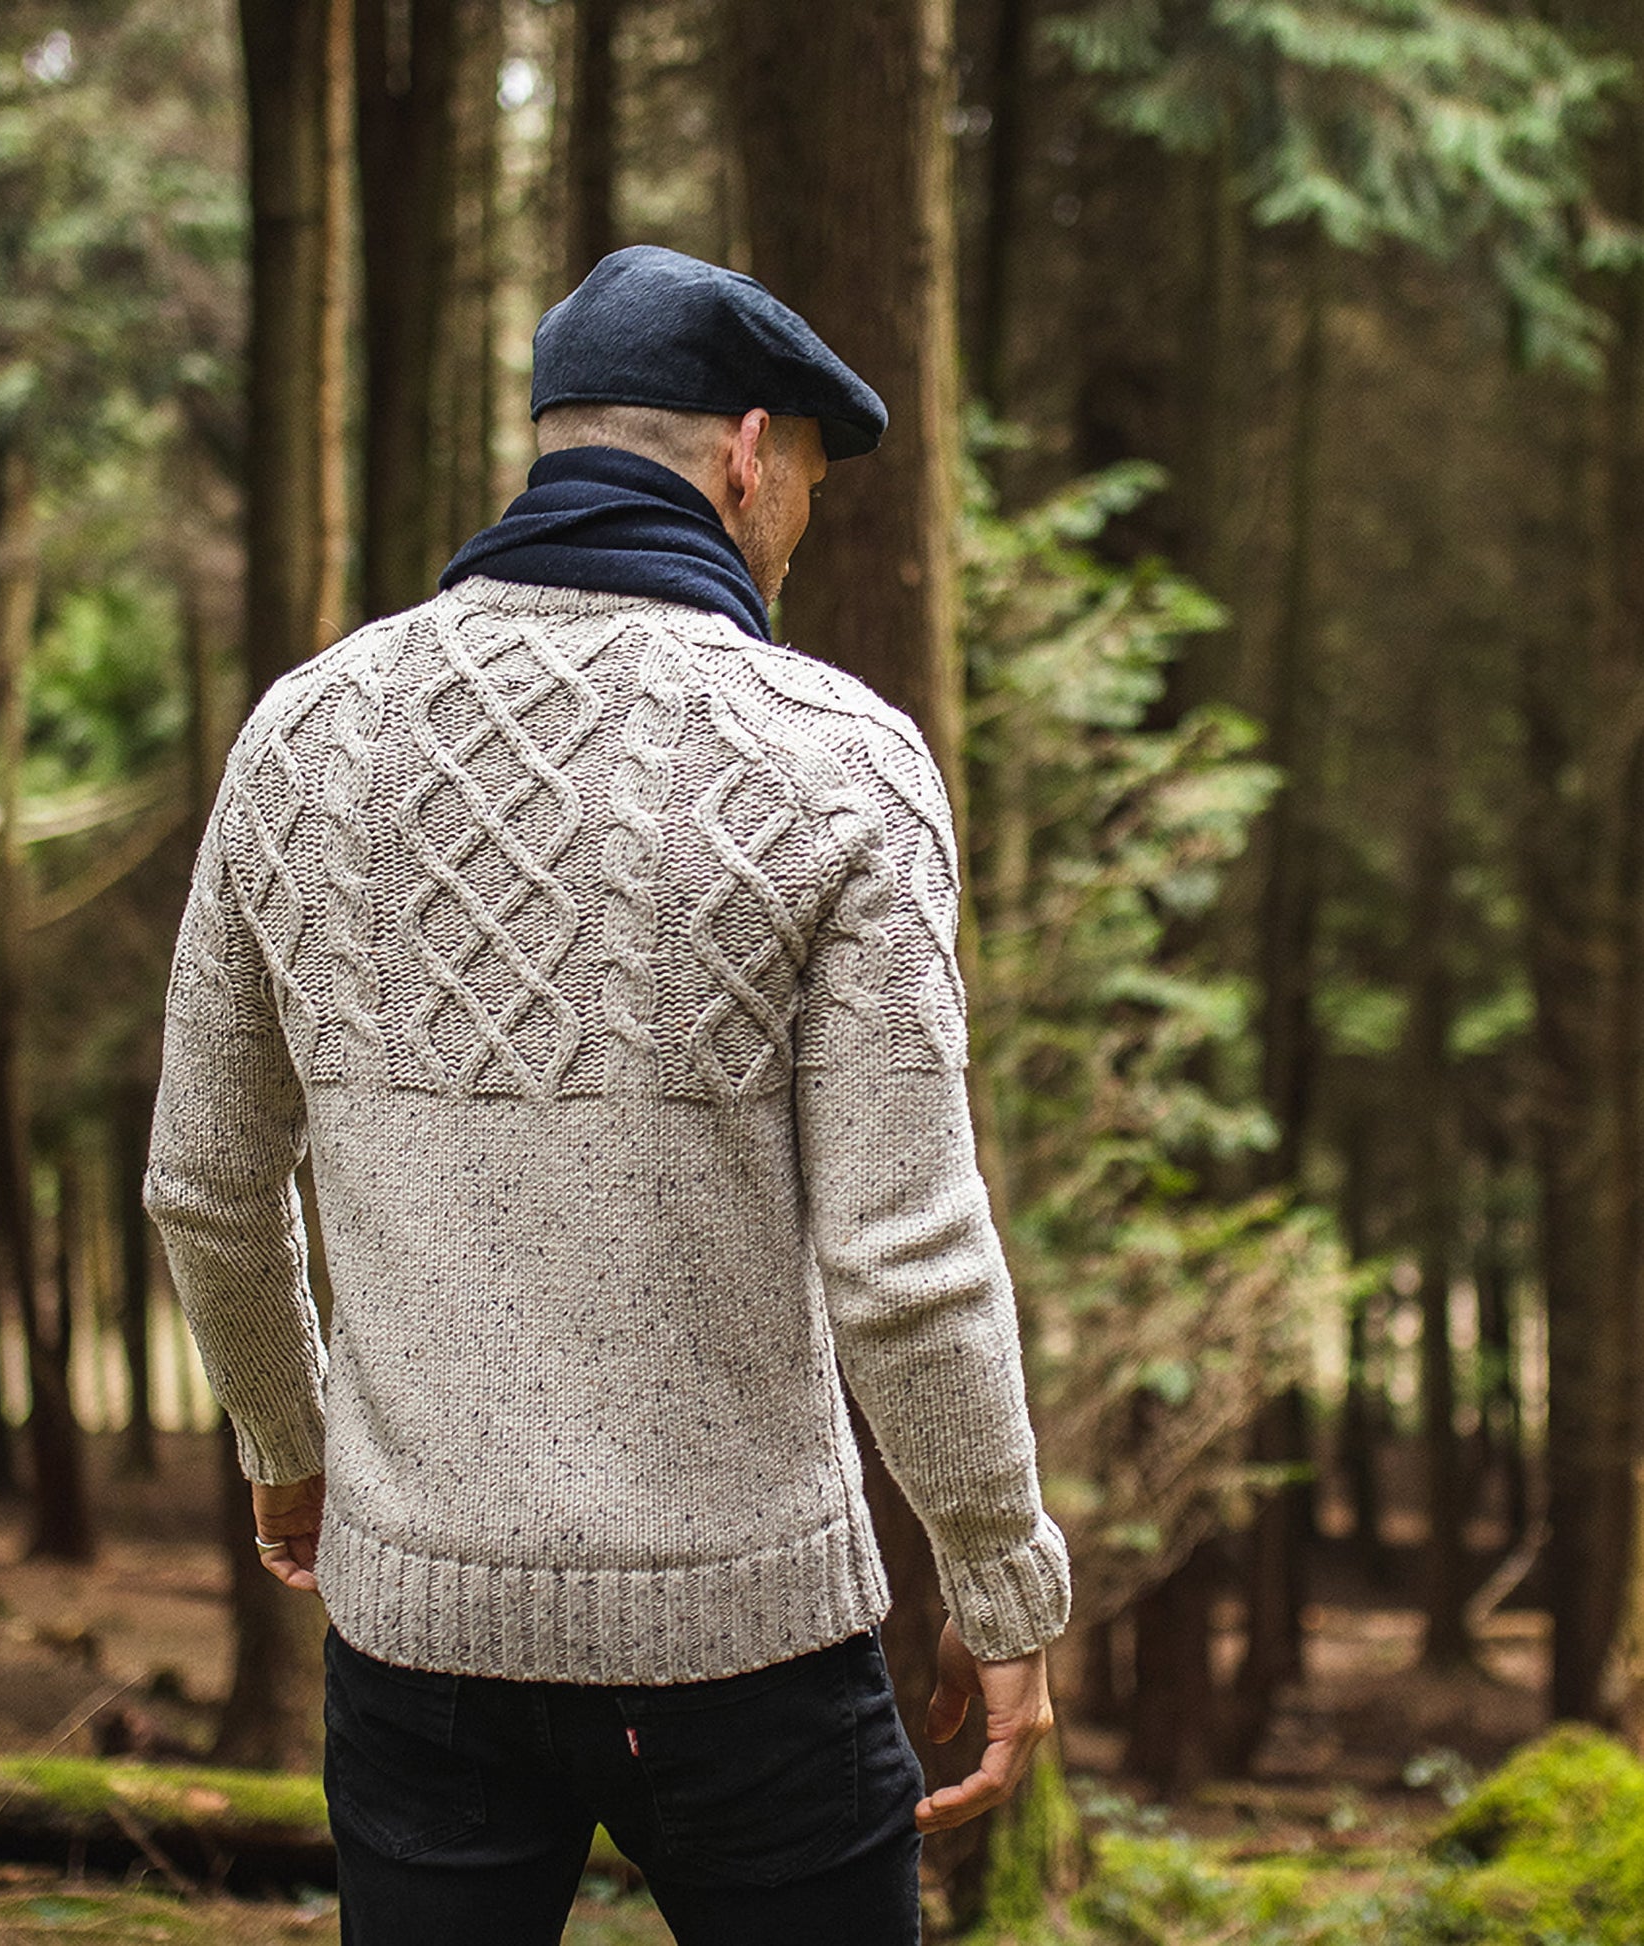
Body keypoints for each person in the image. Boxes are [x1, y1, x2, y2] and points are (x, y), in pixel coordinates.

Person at [145, 244, 1070, 1946]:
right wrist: (996, 1570)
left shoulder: (303, 736)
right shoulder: (837, 759)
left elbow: (204, 1178)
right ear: (745, 453)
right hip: (753, 1649)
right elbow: (906, 1254)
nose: (796, 525)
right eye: (806, 480)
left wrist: (290, 1443)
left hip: (416, 1638)